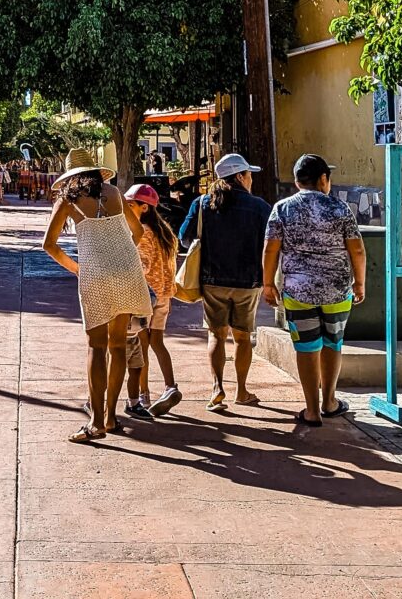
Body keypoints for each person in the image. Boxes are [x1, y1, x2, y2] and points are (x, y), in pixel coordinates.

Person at [41, 148, 152, 442]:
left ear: (69, 177)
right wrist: (119, 252)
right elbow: (138, 231)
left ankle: (95, 421)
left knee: (96, 347)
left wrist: (78, 268)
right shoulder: (114, 192)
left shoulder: (68, 200)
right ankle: (112, 417)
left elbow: (49, 245)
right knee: (118, 346)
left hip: (96, 276)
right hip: (128, 271)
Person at [263, 154, 369, 425]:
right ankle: (329, 401)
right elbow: (356, 248)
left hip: (297, 292)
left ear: (298, 181)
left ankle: (311, 409)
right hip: (336, 291)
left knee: (307, 347)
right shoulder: (340, 208)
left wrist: (267, 283)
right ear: (323, 179)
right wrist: (359, 282)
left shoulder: (282, 208)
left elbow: (271, 248)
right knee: (333, 343)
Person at [178, 152, 272, 411]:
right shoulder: (260, 207)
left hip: (212, 281)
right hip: (248, 282)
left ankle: (217, 389)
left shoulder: (202, 203)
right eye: (249, 175)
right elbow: (270, 245)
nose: (251, 179)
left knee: (216, 335)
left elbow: (184, 239)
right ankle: (241, 390)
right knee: (242, 338)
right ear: (240, 177)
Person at [122, 183, 182, 419]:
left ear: (144, 208)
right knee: (158, 342)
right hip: (165, 294)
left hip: (146, 295)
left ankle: (143, 395)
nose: (126, 209)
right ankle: (170, 387)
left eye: (130, 205)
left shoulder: (141, 233)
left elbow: (138, 266)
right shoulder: (165, 232)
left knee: (141, 347)